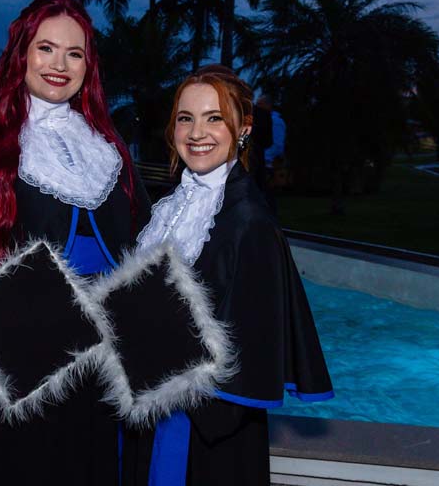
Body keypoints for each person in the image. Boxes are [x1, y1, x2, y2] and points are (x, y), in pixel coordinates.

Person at [0, 0, 151, 485]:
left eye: (74, 53)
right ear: (22, 54)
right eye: (46, 48)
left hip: (99, 359)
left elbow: (142, 244)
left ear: (88, 66)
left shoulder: (108, 147)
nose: (59, 65)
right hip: (20, 352)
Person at [122, 66, 333, 485]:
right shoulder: (170, 207)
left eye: (214, 117)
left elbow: (246, 350)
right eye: (186, 118)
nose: (197, 132)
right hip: (150, 406)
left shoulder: (250, 222)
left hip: (200, 429)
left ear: (244, 129)